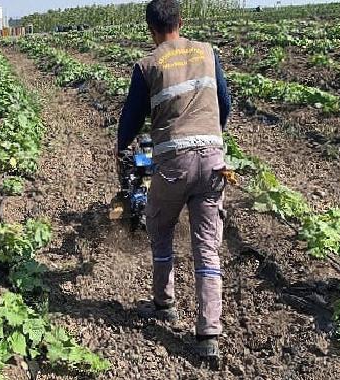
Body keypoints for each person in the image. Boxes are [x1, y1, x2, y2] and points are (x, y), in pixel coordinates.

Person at [116, 0, 231, 358]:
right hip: (214, 160)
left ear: (149, 28)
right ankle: (208, 333)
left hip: (173, 163)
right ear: (182, 21)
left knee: (160, 226)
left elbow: (133, 118)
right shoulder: (208, 52)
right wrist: (210, 137)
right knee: (206, 244)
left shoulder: (148, 64)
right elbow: (224, 104)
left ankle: (165, 304)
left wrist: (120, 146)